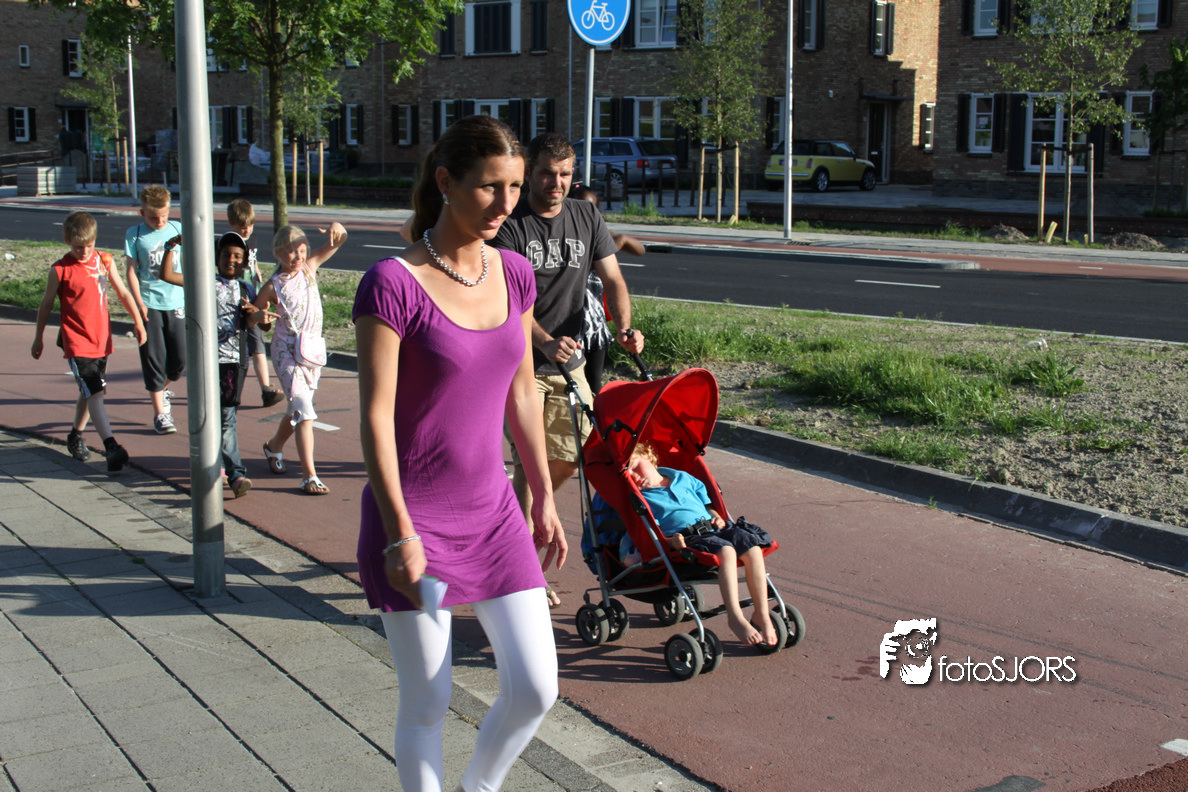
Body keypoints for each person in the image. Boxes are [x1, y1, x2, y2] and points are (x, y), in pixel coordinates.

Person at [352, 114, 567, 792]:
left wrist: (542, 493)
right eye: (489, 187)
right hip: (414, 520)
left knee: (536, 687)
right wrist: (399, 532)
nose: (506, 204)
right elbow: (375, 417)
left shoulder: (515, 272)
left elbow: (522, 392)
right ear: (445, 182)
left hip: (494, 513)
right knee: (428, 700)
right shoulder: (392, 283)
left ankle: (479, 787)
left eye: (515, 187)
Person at [492, 133, 646, 536]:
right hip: (518, 361)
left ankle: (512, 517)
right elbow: (507, 300)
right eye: (547, 173)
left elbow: (613, 278)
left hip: (568, 360)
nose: (556, 183)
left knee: (571, 455)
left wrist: (624, 327)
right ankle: (520, 547)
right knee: (530, 460)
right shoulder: (510, 223)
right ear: (529, 173)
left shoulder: (586, 215)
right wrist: (543, 340)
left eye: (564, 174)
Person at [627, 442, 779, 647]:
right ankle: (735, 617)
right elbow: (651, 534)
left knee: (751, 546)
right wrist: (671, 543)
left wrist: (717, 517)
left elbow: (707, 506)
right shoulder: (641, 498)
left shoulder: (683, 478)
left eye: (635, 467)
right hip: (689, 538)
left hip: (716, 529)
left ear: (648, 455)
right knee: (726, 551)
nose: (634, 476)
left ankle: (762, 614)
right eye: (628, 474)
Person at [160, 232, 275, 498]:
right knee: (211, 418)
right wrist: (170, 247)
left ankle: (230, 473)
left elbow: (254, 322)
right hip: (205, 361)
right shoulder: (204, 282)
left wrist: (260, 316)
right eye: (225, 255)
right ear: (217, 258)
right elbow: (167, 276)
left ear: (244, 261)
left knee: (225, 418)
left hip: (234, 363)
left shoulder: (247, 289)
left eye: (237, 256)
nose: (231, 260)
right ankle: (231, 472)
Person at [31, 211, 147, 471]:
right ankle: (111, 447)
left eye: (89, 246)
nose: (84, 252)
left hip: (101, 340)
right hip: (77, 342)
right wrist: (38, 337)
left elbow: (123, 292)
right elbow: (46, 304)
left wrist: (138, 321)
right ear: (66, 241)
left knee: (91, 391)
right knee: (94, 392)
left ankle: (75, 436)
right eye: (77, 247)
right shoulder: (60, 270)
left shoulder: (104, 260)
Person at [254, 222, 347, 495]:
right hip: (286, 353)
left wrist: (338, 228)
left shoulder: (309, 268)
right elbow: (256, 316)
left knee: (297, 408)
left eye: (302, 250)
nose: (298, 257)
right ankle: (309, 476)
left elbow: (340, 240)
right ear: (278, 253)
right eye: (291, 252)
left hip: (311, 351)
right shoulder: (273, 285)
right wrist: (263, 319)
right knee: (304, 408)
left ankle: (273, 447)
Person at [568, 183, 645, 395]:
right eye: (581, 206)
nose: (586, 213)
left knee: (594, 385)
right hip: (571, 325)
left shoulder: (599, 234)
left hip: (595, 324)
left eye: (592, 208)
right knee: (572, 384)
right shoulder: (567, 233)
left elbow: (640, 250)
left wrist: (621, 239)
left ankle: (595, 414)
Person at [124, 184, 185, 435]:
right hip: (149, 303)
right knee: (153, 358)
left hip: (177, 302)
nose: (159, 222)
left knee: (180, 361)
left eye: (164, 215)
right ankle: (161, 414)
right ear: (142, 213)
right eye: (153, 217)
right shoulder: (135, 234)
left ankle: (163, 388)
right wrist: (138, 303)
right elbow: (131, 270)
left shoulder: (178, 229)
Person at [226, 199, 284, 407]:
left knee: (257, 342)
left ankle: (266, 388)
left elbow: (253, 259)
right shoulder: (229, 244)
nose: (247, 230)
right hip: (237, 299)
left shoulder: (252, 240)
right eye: (242, 227)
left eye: (250, 225)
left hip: (253, 297)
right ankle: (230, 387)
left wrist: (257, 271)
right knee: (239, 345)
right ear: (232, 224)